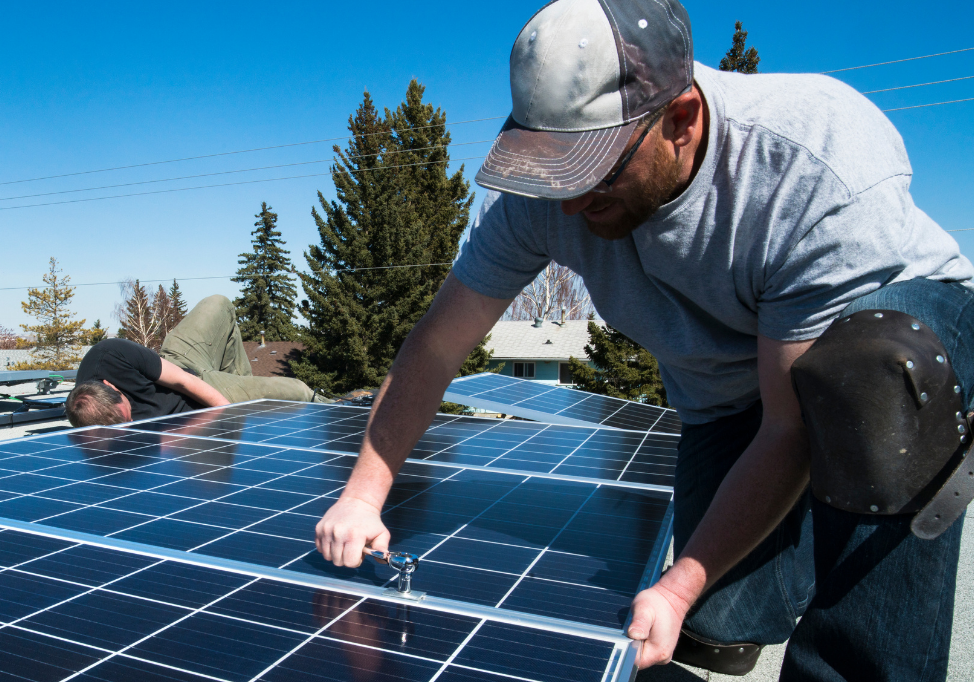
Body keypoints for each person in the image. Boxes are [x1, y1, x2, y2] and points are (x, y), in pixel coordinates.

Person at [311, 0, 973, 679]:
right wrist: (364, 494)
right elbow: (437, 348)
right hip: (727, 393)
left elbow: (788, 429)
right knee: (721, 624)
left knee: (879, 376)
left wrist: (677, 582)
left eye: (592, 170)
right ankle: (803, 532)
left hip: (894, 345)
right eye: (554, 168)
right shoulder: (539, 198)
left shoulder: (808, 157)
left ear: (680, 120)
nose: (567, 204)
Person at [66, 295, 327, 426]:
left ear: (111, 387)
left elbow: (182, 380)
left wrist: (233, 419)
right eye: (125, 426)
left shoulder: (110, 354)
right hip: (194, 412)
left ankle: (239, 386)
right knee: (297, 391)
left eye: (127, 414)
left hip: (185, 371)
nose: (131, 423)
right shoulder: (93, 424)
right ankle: (348, 406)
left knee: (220, 303)